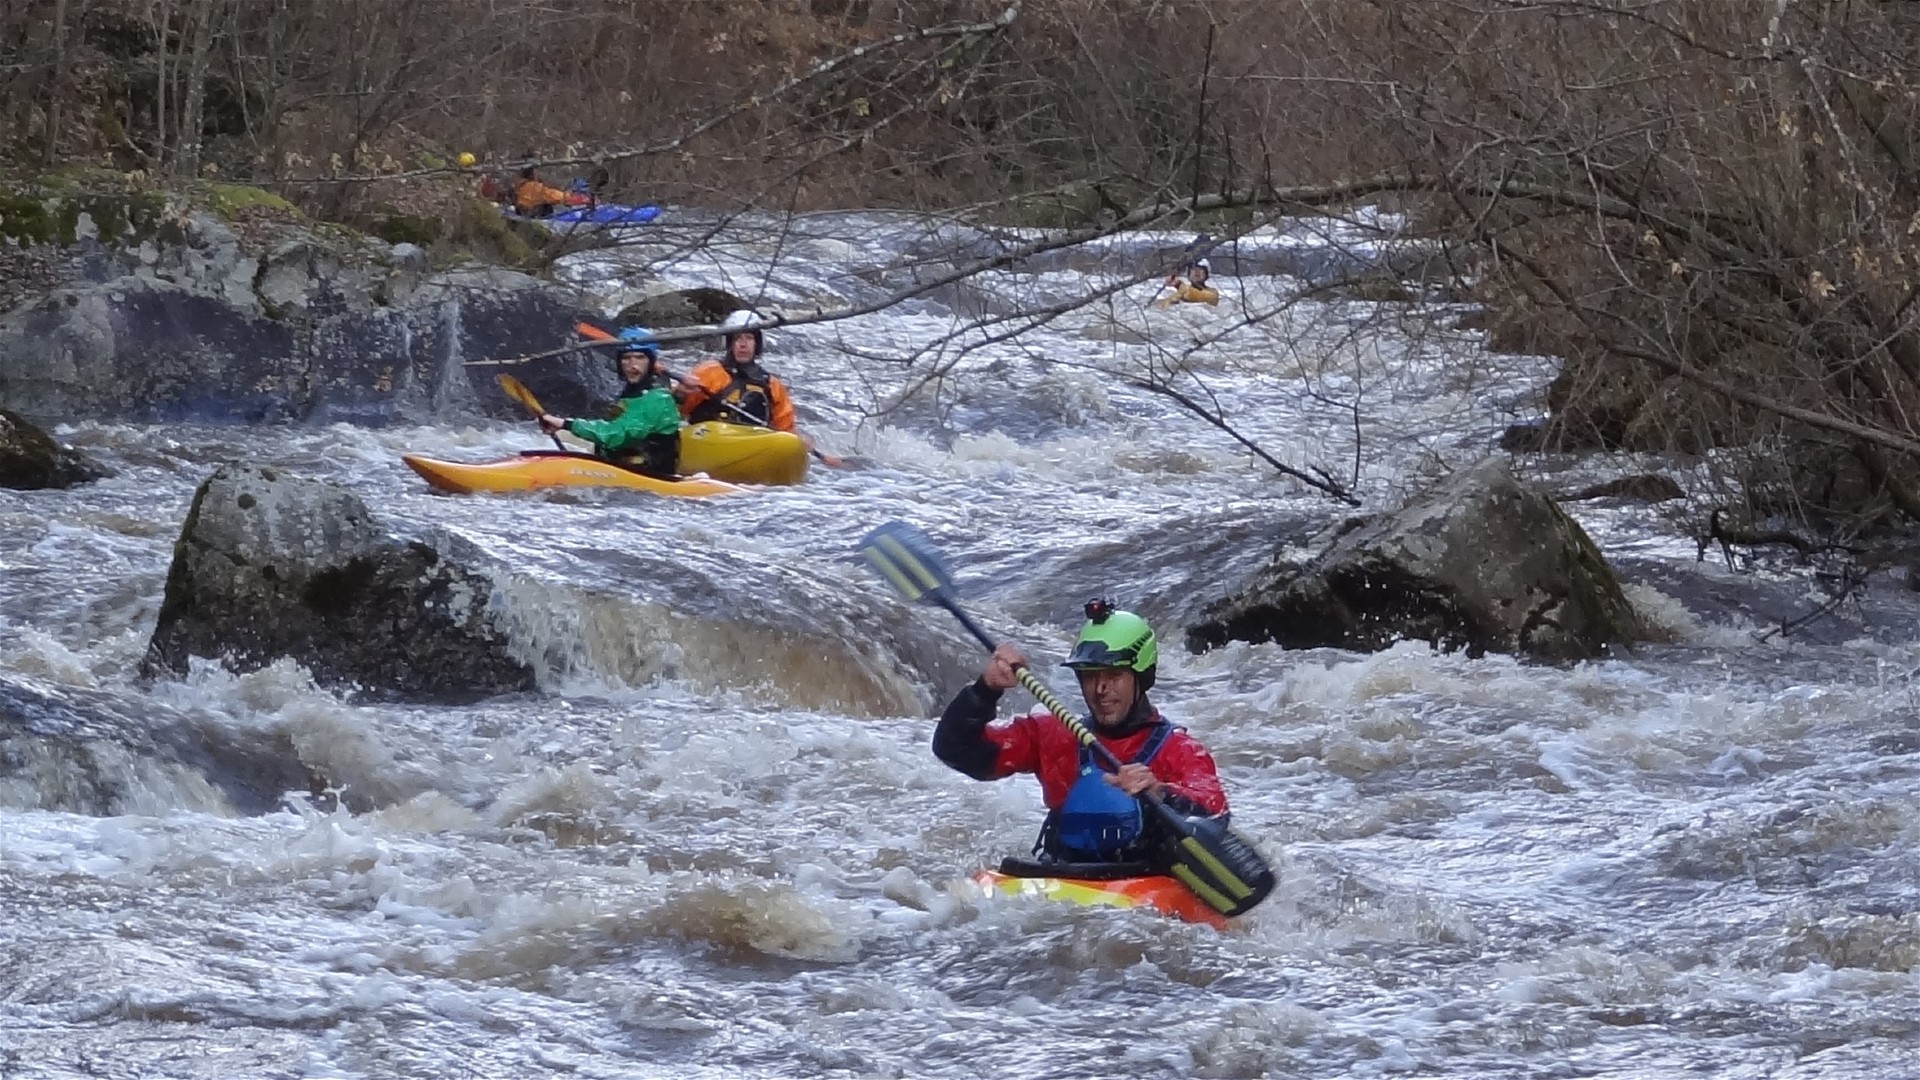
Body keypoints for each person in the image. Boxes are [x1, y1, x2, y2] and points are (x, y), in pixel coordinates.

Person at [932, 600, 1229, 866]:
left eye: (1114, 675)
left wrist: (1161, 792)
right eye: (1090, 676)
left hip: (1144, 884)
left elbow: (1215, 812)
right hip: (1065, 878)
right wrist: (986, 689)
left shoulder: (1179, 749)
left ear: (1142, 677)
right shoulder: (1053, 735)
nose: (1100, 689)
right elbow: (955, 749)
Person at [538, 327, 682, 478]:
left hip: (651, 479)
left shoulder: (658, 398)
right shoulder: (632, 392)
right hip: (624, 470)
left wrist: (565, 424)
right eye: (626, 358)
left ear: (650, 362)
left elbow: (616, 435)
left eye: (640, 357)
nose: (633, 365)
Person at [679, 309, 799, 433]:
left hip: (752, 444)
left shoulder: (772, 385)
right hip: (710, 438)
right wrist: (680, 394)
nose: (743, 344)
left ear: (757, 344)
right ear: (730, 343)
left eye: (749, 338)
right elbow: (678, 412)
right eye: (737, 338)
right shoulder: (707, 372)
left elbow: (785, 430)